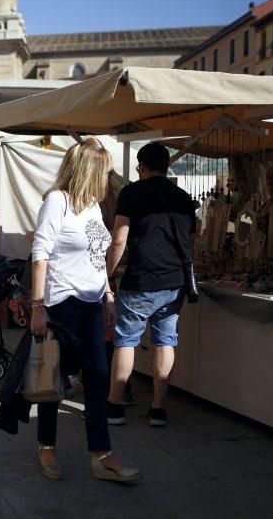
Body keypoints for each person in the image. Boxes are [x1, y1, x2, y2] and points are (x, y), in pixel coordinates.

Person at [29, 138, 141, 482]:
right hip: (62, 304)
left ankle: (101, 455)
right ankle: (46, 445)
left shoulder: (92, 206)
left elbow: (96, 257)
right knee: (54, 379)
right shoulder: (56, 202)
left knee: (97, 378)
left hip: (92, 303)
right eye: (104, 172)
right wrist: (38, 306)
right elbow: (40, 253)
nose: (108, 179)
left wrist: (107, 292)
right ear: (89, 171)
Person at [106, 142, 196, 428]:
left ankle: (115, 407)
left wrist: (106, 272)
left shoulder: (131, 192)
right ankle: (158, 409)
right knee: (165, 341)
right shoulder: (182, 196)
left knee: (126, 340)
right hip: (174, 282)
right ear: (167, 165)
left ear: (142, 166)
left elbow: (119, 239)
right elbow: (191, 242)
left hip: (140, 279)